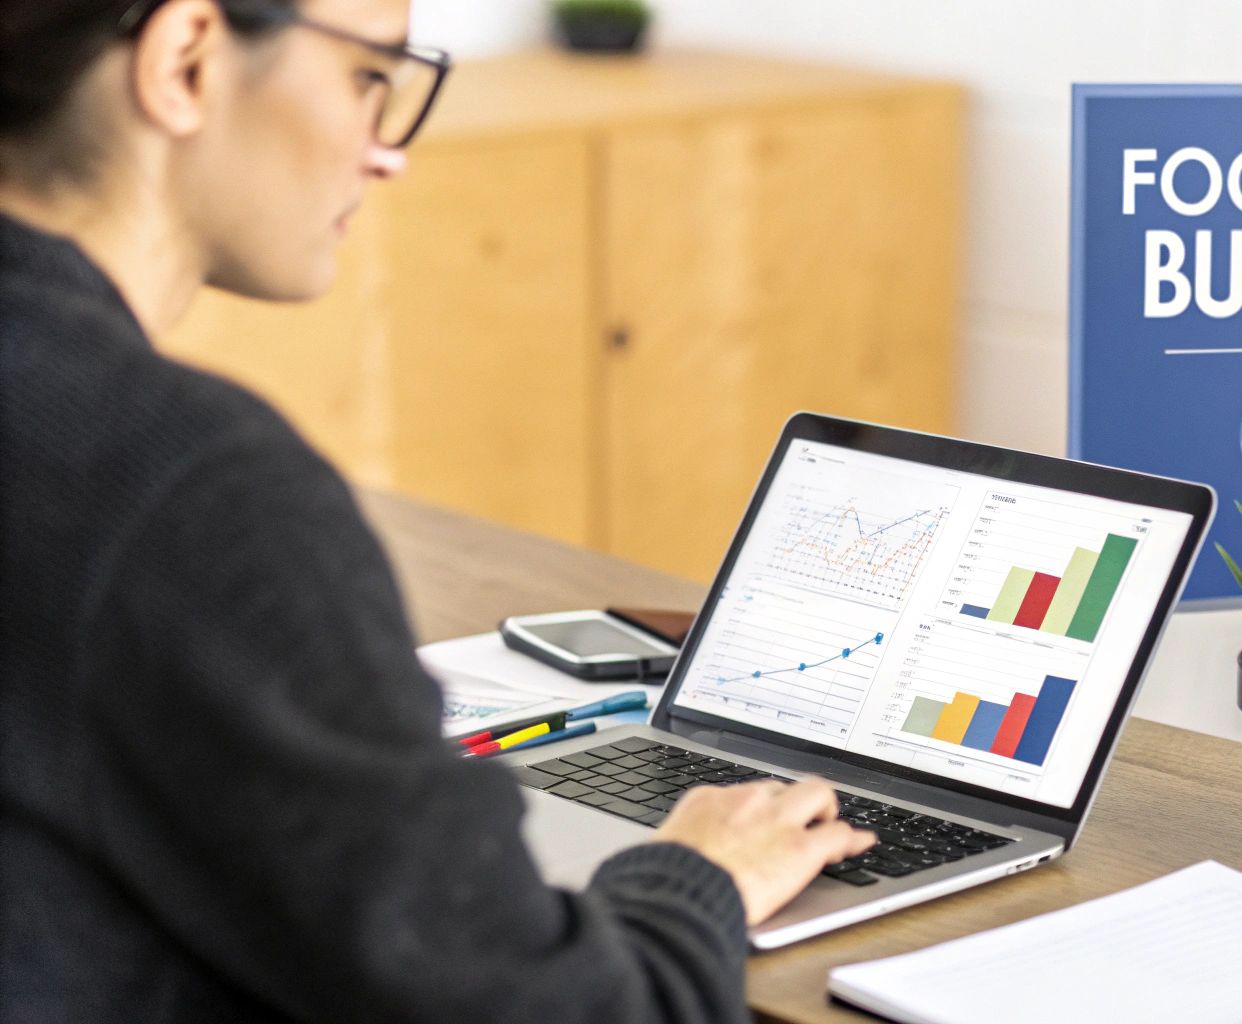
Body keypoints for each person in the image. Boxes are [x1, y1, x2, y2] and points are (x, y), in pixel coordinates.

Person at [0, 1, 875, 1020]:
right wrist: (697, 875)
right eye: (371, 75)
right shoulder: (191, 491)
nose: (388, 154)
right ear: (186, 59)